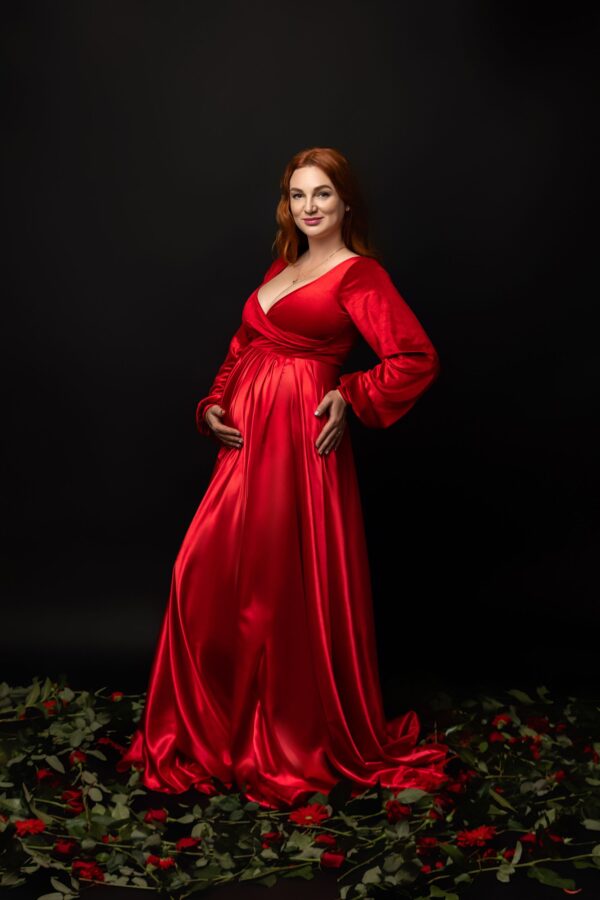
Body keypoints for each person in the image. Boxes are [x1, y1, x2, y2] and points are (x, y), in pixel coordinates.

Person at [117, 146, 450, 809]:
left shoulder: (359, 275)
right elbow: (244, 346)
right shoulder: (284, 267)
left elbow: (415, 356)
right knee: (202, 575)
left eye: (322, 193)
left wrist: (350, 394)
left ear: (346, 201)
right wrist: (214, 403)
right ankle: (220, 730)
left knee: (273, 591)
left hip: (298, 448)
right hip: (244, 447)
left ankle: (280, 737)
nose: (309, 207)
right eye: (298, 195)